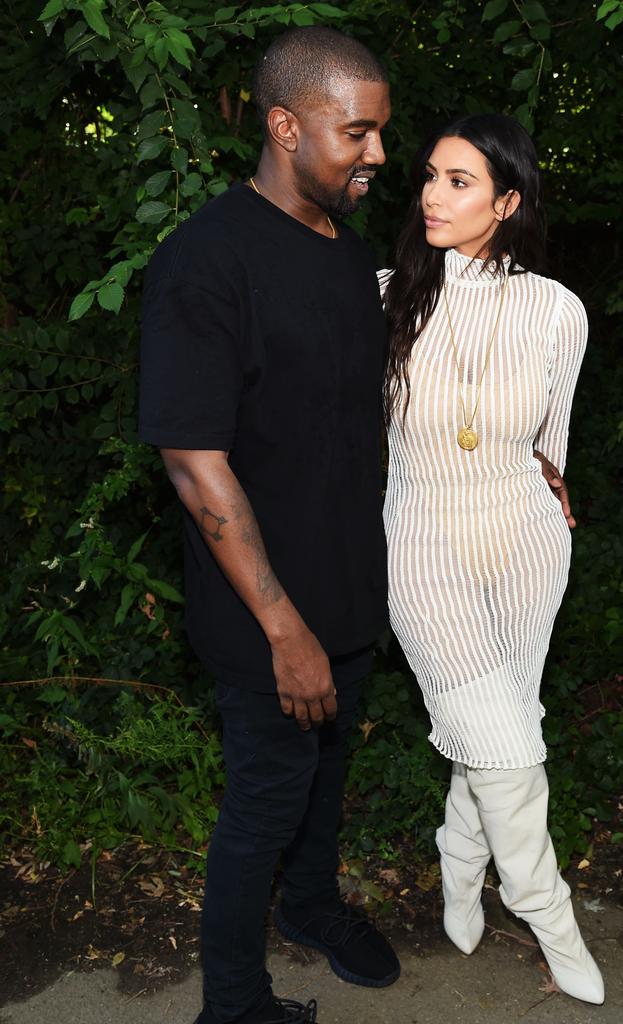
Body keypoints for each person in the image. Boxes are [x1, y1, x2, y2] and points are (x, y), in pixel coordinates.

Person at [139, 27, 400, 1024]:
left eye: (382, 133)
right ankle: (234, 1005)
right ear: (287, 127)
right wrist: (285, 630)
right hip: (267, 614)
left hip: (347, 588)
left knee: (326, 779)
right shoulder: (206, 264)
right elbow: (193, 459)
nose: (378, 155)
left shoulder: (348, 252)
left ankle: (313, 906)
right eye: (357, 133)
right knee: (263, 805)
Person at [379, 114, 605, 1004]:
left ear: (507, 203)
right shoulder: (384, 298)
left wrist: (556, 504)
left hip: (525, 545)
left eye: (461, 182)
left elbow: (555, 446)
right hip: (423, 547)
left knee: (501, 727)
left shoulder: (558, 311)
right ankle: (549, 914)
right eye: (432, 176)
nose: (433, 194)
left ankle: (459, 858)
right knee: (509, 746)